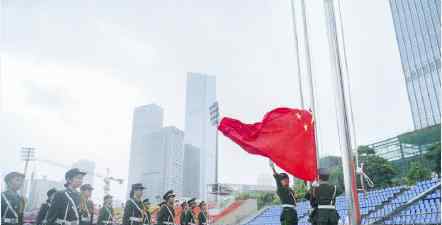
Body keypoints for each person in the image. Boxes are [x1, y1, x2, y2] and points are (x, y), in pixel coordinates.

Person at [269, 160, 298, 225]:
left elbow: (295, 199)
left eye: (286, 179)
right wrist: (272, 167)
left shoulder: (290, 189)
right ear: (281, 181)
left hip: (293, 212)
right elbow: (277, 178)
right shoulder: (281, 189)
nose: (286, 180)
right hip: (287, 212)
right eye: (283, 179)